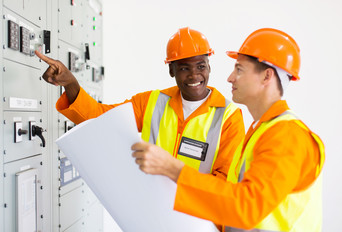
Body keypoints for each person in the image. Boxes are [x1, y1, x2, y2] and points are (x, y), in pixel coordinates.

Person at [132, 28, 325, 231]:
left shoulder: (287, 136)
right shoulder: (261, 131)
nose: (230, 78)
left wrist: (173, 169)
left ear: (267, 76)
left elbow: (247, 207)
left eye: (239, 69)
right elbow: (233, 198)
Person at [35, 27, 245, 182]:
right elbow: (100, 118)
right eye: (184, 68)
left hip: (197, 218)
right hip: (151, 212)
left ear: (209, 66)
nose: (194, 75)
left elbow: (226, 180)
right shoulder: (152, 102)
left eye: (201, 66)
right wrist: (71, 84)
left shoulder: (228, 116)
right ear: (171, 70)